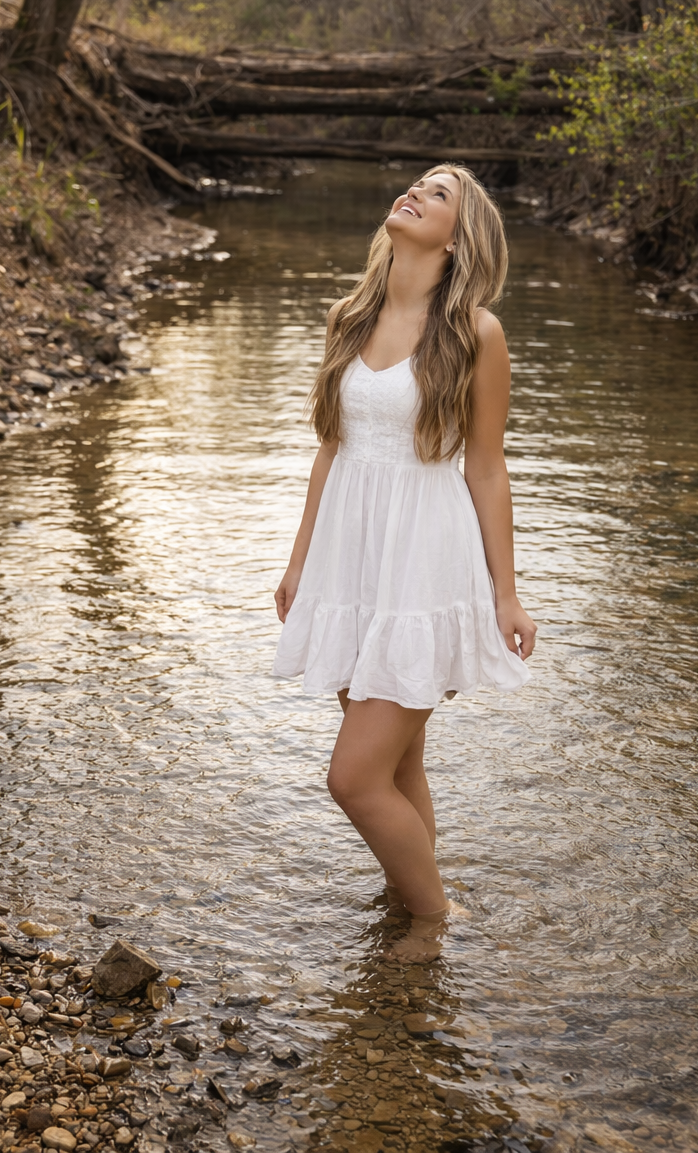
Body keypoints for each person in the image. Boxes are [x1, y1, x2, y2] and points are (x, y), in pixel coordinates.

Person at [273, 164, 537, 955]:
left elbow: (486, 469)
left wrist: (507, 594)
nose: (416, 192)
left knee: (353, 778)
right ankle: (407, 894)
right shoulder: (348, 316)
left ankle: (430, 920)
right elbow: (330, 450)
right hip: (351, 562)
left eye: (439, 193)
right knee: (396, 767)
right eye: (418, 183)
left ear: (458, 238)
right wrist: (300, 564)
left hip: (424, 562)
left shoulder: (476, 333)